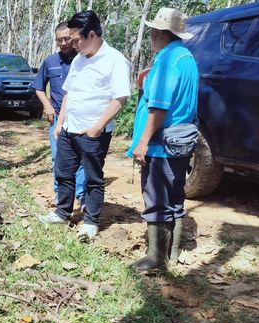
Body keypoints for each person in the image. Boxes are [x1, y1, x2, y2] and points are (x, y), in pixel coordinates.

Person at [38, 10, 131, 241]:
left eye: (76, 39)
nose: (72, 44)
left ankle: (90, 221)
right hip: (69, 129)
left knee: (92, 178)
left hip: (93, 133)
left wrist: (97, 127)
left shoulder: (115, 60)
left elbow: (120, 98)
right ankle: (62, 212)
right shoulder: (79, 59)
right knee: (63, 172)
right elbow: (69, 94)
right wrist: (60, 124)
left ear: (91, 35)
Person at [127, 8, 199, 273]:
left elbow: (159, 107)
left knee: (156, 198)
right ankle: (172, 253)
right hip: (182, 139)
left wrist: (143, 142)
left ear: (157, 32)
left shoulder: (167, 60)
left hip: (162, 142)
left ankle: (156, 259)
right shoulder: (186, 57)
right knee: (174, 197)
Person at [32, 22, 85, 207]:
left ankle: (81, 195)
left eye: (66, 39)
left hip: (79, 118)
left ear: (73, 37)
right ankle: (59, 193)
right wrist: (47, 106)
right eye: (59, 40)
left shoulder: (83, 59)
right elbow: (38, 87)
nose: (63, 43)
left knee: (81, 160)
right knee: (58, 158)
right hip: (57, 120)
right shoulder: (50, 62)